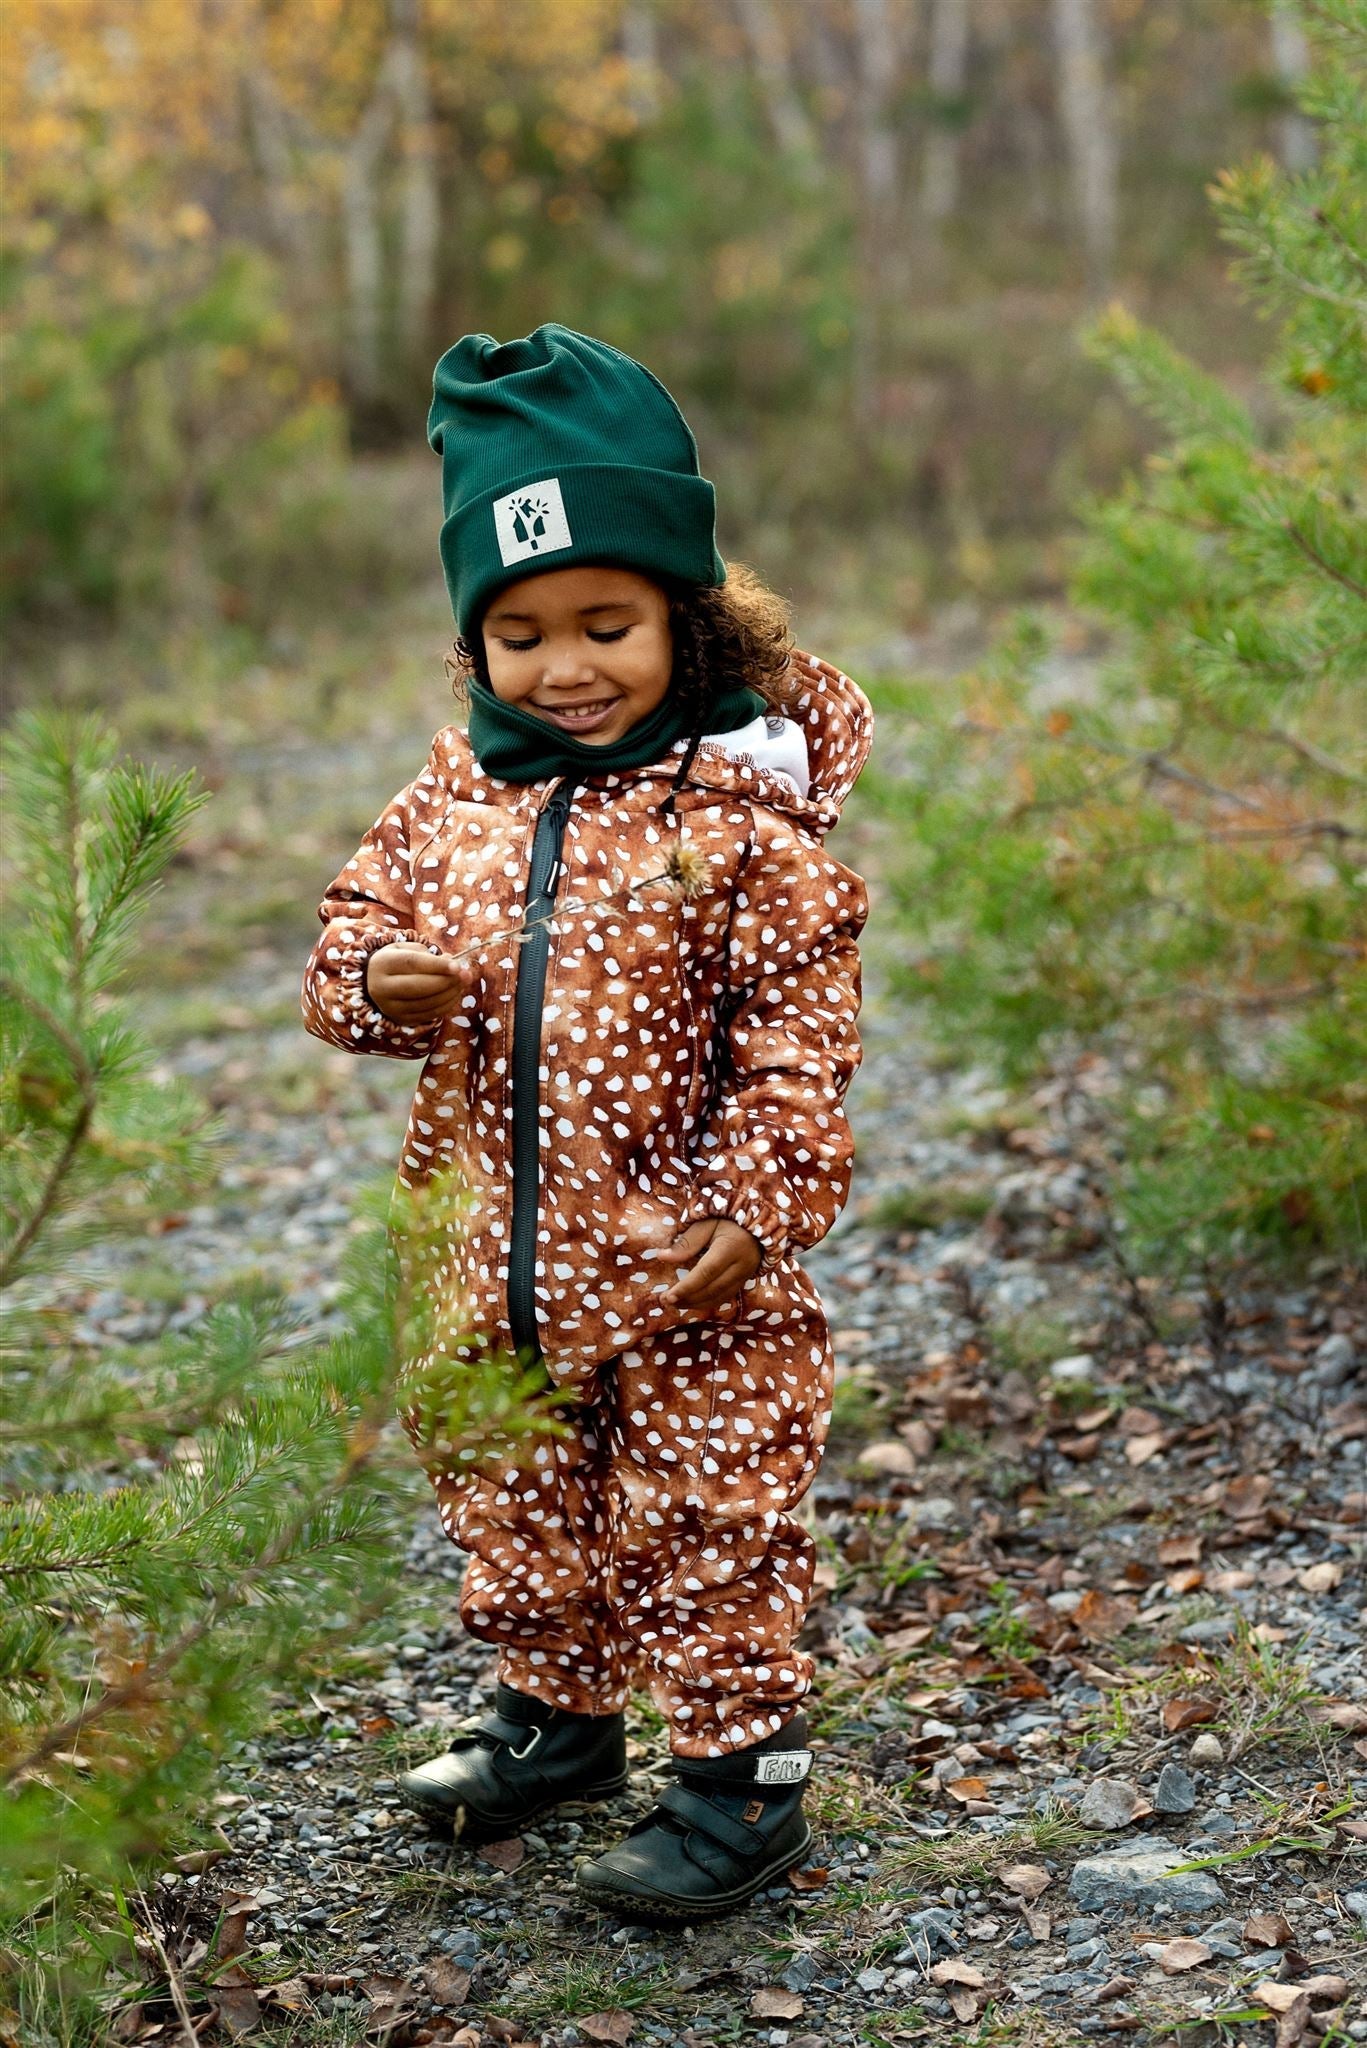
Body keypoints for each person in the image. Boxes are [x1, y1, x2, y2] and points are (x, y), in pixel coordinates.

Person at [301, 324, 872, 1922]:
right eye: (523, 632)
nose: (566, 668)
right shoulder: (453, 798)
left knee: (706, 1517)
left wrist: (756, 1203)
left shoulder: (745, 823)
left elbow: (800, 1042)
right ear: (474, 642)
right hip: (490, 1255)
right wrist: (374, 980)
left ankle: (739, 1779)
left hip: (688, 1267)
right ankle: (558, 1720)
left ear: (685, 617)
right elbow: (347, 934)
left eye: (607, 623)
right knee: (517, 1493)